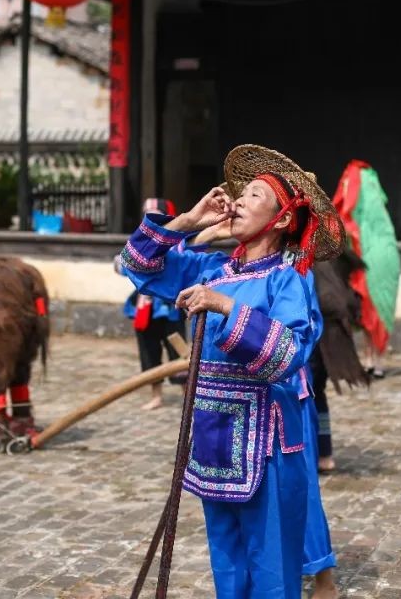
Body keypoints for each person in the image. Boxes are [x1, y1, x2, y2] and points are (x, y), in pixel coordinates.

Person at [119, 144, 344, 599]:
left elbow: (289, 352)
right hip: (212, 438)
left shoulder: (288, 276)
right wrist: (187, 221)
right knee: (227, 563)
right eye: (241, 194)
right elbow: (136, 266)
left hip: (268, 443)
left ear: (282, 219)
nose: (239, 200)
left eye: (255, 195)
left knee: (271, 569)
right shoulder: (213, 268)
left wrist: (223, 305)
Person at [331, 160, 400, 379]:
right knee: (366, 310)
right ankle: (370, 358)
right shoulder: (366, 221)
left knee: (377, 309)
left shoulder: (376, 223)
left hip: (378, 262)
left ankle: (377, 359)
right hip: (368, 259)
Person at [116, 198, 187, 411]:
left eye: (155, 213)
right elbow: (121, 266)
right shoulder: (139, 242)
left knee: (179, 351)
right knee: (148, 350)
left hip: (171, 306)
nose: (151, 218)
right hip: (145, 306)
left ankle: (186, 394)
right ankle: (156, 395)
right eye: (147, 213)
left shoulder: (180, 243)